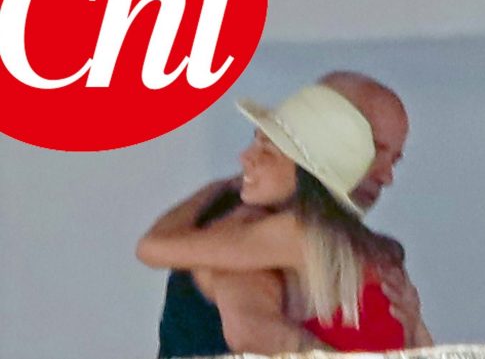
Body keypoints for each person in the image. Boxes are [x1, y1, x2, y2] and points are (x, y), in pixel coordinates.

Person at [137, 72, 434, 357]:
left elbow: (153, 247)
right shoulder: (376, 253)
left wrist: (217, 188)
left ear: (305, 167)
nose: (245, 157)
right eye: (376, 151)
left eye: (268, 148)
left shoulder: (290, 233)